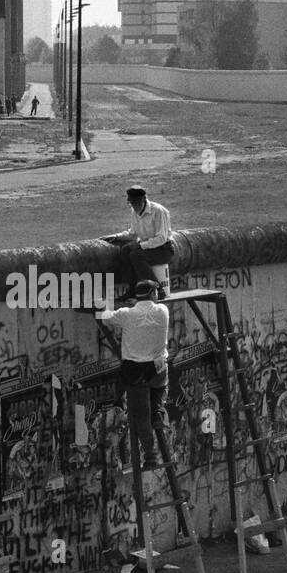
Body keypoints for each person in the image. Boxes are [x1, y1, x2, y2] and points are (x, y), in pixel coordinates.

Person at [97, 279, 170, 469]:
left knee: (140, 416)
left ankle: (150, 456)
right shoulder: (163, 312)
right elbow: (148, 312)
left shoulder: (126, 314)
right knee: (161, 387)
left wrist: (102, 302)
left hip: (135, 370)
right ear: (153, 294)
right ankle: (159, 411)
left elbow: (105, 316)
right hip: (157, 368)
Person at [107, 186, 174, 298]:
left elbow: (161, 238)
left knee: (136, 255)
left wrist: (141, 245)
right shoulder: (134, 211)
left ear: (144, 199)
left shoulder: (158, 211)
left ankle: (158, 290)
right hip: (148, 247)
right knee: (125, 250)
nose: (134, 206)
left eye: (136, 202)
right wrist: (116, 236)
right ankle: (132, 289)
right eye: (131, 203)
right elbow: (132, 233)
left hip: (164, 249)